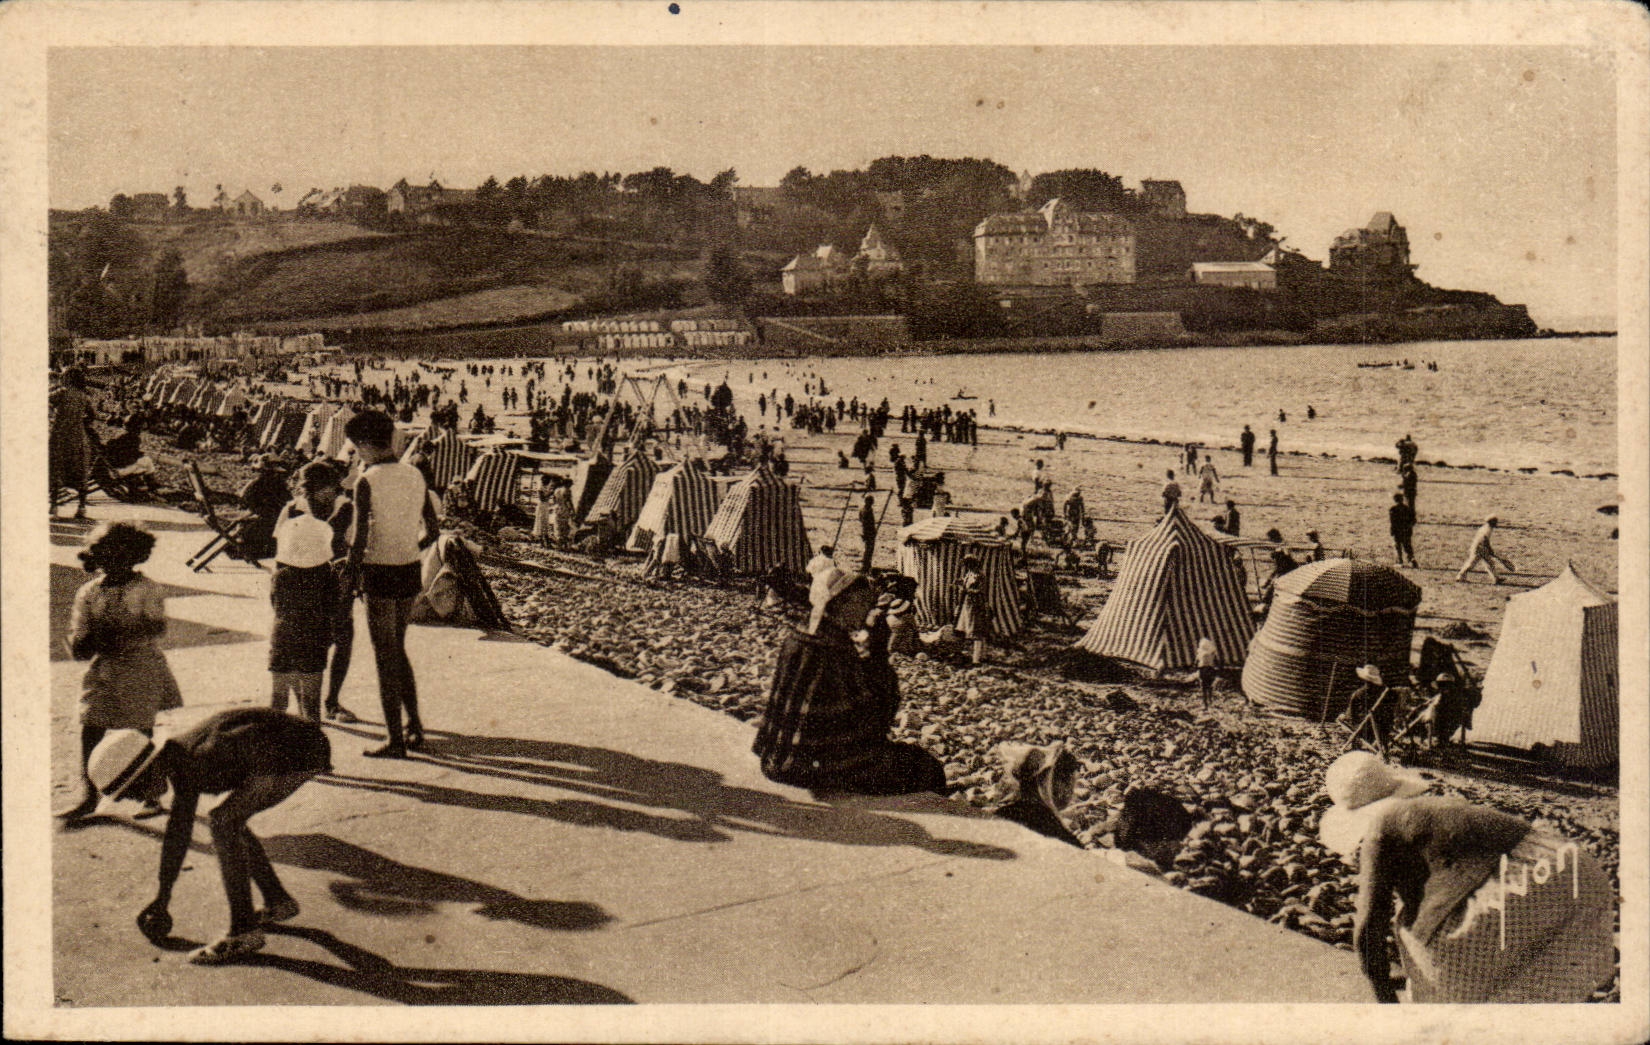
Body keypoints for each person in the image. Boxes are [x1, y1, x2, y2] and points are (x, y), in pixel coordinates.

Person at [1317, 751, 1614, 1003]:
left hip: (1512, 896)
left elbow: (1368, 927)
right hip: (1571, 870)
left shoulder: (1380, 830)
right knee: (1536, 974)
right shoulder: (1441, 805)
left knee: (1414, 935)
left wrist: (1385, 1000)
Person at [99, 709, 333, 965]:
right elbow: (178, 832)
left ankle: (243, 932)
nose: (138, 800)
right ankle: (278, 901)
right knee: (229, 820)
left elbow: (263, 745)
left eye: (133, 792)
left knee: (224, 822)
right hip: (287, 747)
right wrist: (162, 897)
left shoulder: (199, 756)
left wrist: (163, 898)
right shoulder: (176, 757)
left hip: (300, 750)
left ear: (145, 771)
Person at [752, 569, 946, 795]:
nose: (866, 609)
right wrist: (878, 657)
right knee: (925, 767)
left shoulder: (798, 637)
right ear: (841, 603)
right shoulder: (834, 650)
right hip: (808, 769)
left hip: (776, 759)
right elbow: (877, 717)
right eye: (862, 601)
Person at [57, 522, 182, 821]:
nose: (114, 563)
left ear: (135, 557)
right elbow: (80, 633)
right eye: (107, 555)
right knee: (91, 726)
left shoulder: (146, 589)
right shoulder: (88, 592)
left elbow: (156, 626)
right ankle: (89, 793)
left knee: (137, 731)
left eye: (122, 557)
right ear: (96, 556)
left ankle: (151, 794)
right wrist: (81, 642)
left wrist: (119, 632)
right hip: (105, 667)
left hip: (140, 665)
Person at [342, 410, 441, 759]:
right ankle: (414, 725)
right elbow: (433, 530)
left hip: (380, 571)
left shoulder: (367, 479)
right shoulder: (415, 475)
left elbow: (359, 538)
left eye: (356, 448)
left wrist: (351, 574)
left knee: (385, 656)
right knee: (398, 649)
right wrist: (407, 545)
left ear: (367, 445)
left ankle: (395, 740)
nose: (356, 454)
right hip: (409, 569)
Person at [267, 463, 346, 721]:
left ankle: (272, 749)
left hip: (284, 633)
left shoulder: (282, 576)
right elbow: (334, 605)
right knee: (311, 703)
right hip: (315, 635)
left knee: (278, 700)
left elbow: (274, 598)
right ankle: (311, 744)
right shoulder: (328, 575)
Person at [50, 368, 95, 519]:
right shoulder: (84, 396)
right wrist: (80, 423)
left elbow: (46, 400)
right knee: (80, 469)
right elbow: (92, 415)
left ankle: (54, 507)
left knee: (57, 467)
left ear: (68, 378)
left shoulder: (61, 392)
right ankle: (81, 507)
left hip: (61, 434)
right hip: (78, 435)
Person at [237, 455, 292, 561]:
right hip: (262, 524)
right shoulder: (271, 483)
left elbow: (243, 503)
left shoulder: (257, 482)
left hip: (256, 519)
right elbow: (288, 501)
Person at [1454, 516, 1513, 584]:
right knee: (1472, 564)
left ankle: (1496, 579)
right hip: (1479, 548)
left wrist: (1489, 550)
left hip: (1481, 547)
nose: (1496, 523)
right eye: (1495, 522)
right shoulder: (1487, 529)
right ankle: (1460, 576)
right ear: (1491, 522)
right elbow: (1485, 540)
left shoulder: (1486, 527)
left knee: (1489, 563)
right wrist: (1490, 550)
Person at [955, 554, 989, 666]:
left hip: (976, 605)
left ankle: (977, 659)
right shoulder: (969, 574)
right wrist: (961, 582)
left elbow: (981, 591)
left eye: (968, 564)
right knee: (972, 628)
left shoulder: (980, 575)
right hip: (967, 604)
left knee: (977, 630)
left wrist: (966, 589)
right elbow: (966, 584)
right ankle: (982, 655)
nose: (966, 566)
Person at [1389, 492, 1418, 567]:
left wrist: (1392, 530)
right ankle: (1411, 559)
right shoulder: (1407, 509)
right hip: (1407, 531)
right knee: (1407, 546)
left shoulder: (1393, 509)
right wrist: (1409, 527)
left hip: (1397, 531)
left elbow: (1393, 522)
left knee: (1398, 546)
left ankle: (1400, 561)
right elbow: (1413, 520)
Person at [1195, 636, 1219, 710]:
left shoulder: (1200, 653)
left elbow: (1196, 663)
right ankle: (1210, 701)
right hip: (1210, 670)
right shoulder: (1212, 653)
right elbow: (1217, 662)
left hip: (1203, 670)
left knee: (1204, 688)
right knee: (1210, 686)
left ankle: (1205, 704)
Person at [858, 493, 878, 573]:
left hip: (868, 532)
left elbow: (860, 519)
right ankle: (865, 566)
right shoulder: (866, 511)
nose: (872, 503)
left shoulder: (863, 509)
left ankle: (867, 565)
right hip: (868, 532)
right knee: (868, 550)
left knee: (868, 549)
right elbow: (866, 523)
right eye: (871, 501)